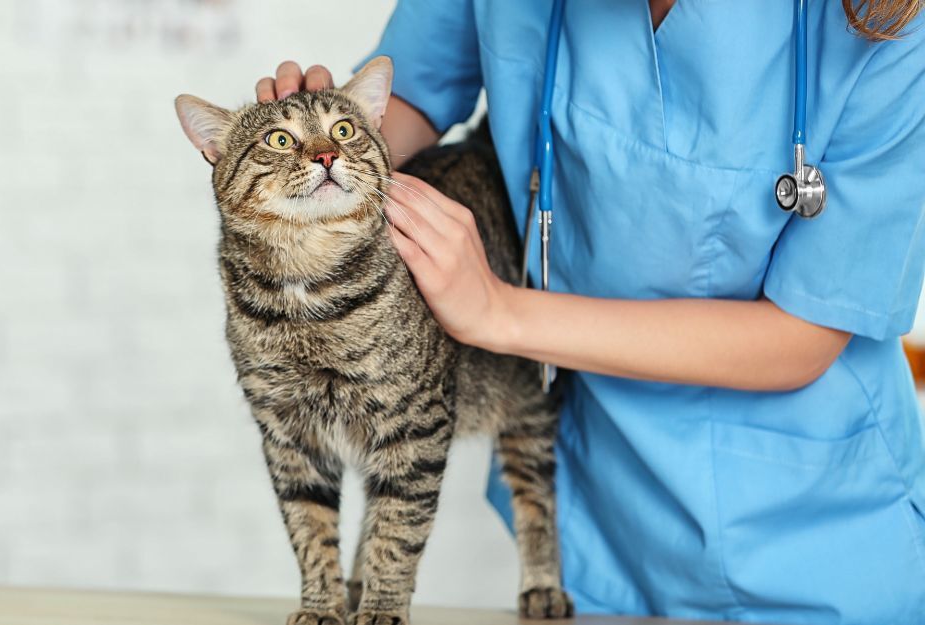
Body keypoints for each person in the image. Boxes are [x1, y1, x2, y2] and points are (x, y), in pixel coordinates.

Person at [254, 1, 925, 623]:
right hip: (597, 521)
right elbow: (406, 98)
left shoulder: (885, 23)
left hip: (820, 543)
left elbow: (802, 334)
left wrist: (500, 313)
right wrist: (306, 148)